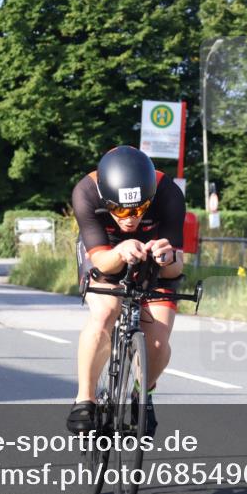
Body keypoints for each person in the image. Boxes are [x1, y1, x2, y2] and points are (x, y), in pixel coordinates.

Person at [67, 146, 185, 437]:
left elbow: (175, 269)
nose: (130, 219)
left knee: (157, 342)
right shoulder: (86, 192)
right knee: (106, 312)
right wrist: (120, 251)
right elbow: (101, 262)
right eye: (119, 210)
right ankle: (85, 400)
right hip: (106, 252)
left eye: (139, 209)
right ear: (106, 199)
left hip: (152, 255)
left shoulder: (168, 193)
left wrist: (168, 257)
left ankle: (141, 394)